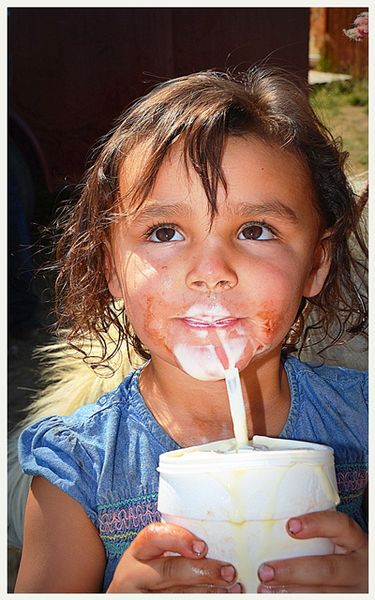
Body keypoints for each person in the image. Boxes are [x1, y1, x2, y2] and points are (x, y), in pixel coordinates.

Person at [15, 66, 368, 593]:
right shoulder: (79, 467)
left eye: (255, 230)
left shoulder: (363, 419)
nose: (210, 270)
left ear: (316, 263)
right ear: (111, 265)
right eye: (164, 232)